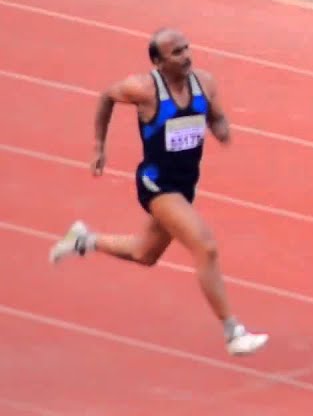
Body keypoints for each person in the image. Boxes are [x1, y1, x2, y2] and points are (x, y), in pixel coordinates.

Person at [48, 28, 269, 357]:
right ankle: (232, 330)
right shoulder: (144, 89)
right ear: (157, 61)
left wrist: (221, 130)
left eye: (187, 48)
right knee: (205, 246)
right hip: (156, 184)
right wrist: (98, 145)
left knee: (144, 254)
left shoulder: (204, 83)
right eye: (176, 52)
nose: (186, 56)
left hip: (184, 185)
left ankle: (83, 240)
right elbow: (107, 96)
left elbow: (217, 117)